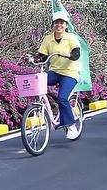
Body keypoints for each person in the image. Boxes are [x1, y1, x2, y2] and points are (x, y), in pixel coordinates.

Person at [36, 11, 82, 140]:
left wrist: (73, 55)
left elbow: (76, 52)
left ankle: (71, 124)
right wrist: (37, 58)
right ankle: (39, 108)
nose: (59, 25)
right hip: (55, 71)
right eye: (56, 22)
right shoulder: (48, 39)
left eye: (62, 23)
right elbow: (42, 54)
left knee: (62, 98)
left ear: (66, 25)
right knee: (37, 82)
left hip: (69, 73)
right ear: (53, 25)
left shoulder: (71, 37)